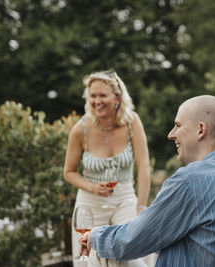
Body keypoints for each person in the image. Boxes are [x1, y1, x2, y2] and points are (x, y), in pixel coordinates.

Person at [79, 95, 215, 266]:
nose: (171, 134)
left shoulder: (190, 181)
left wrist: (94, 235)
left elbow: (132, 241)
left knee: (101, 250)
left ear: (201, 130)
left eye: (178, 125)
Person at [63, 70, 151, 267]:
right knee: (87, 261)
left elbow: (144, 165)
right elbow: (68, 172)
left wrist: (141, 207)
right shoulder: (80, 129)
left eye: (102, 95)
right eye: (92, 96)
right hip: (89, 204)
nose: (97, 101)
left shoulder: (132, 122)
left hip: (125, 198)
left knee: (131, 256)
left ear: (117, 98)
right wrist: (92, 187)